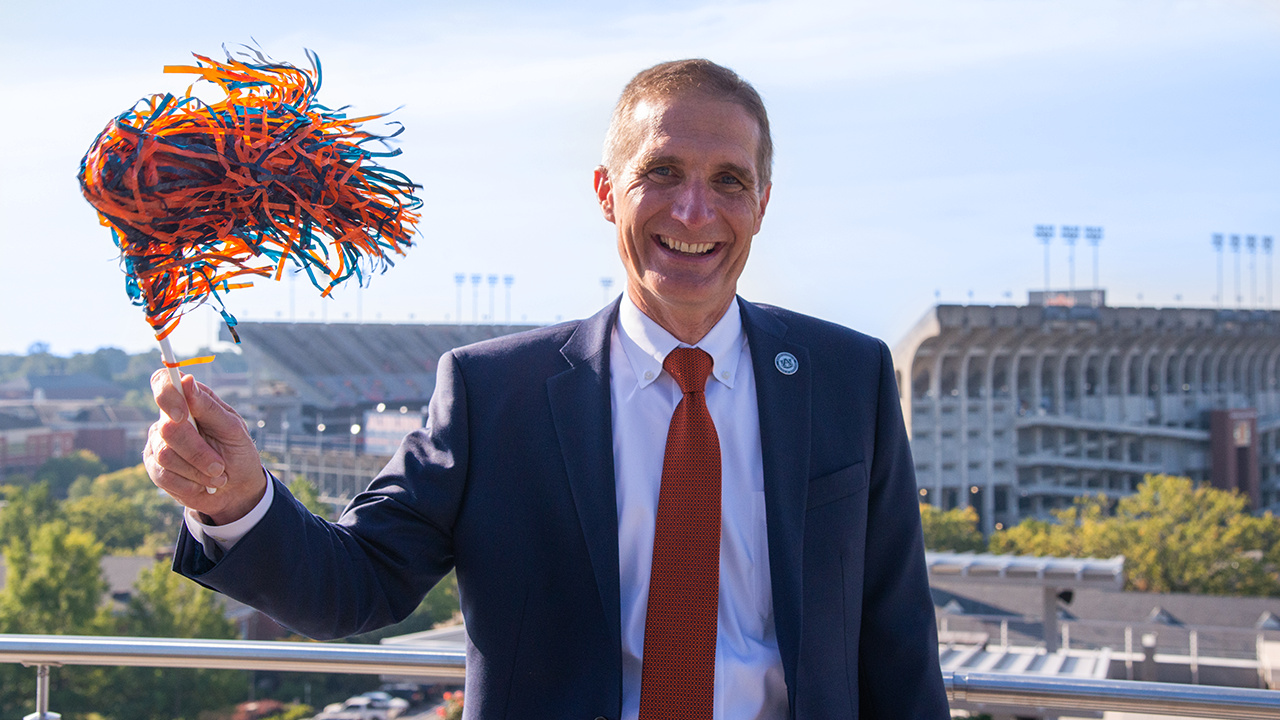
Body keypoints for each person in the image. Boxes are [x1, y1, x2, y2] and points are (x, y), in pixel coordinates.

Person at [145, 59, 948, 719]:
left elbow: (897, 644)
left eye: (730, 181)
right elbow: (360, 585)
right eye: (661, 172)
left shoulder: (849, 377)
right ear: (606, 192)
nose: (695, 209)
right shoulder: (496, 394)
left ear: (762, 205)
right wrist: (237, 501)